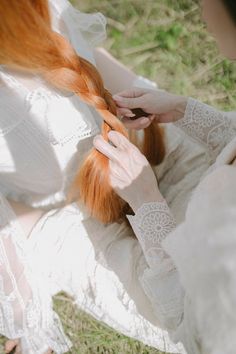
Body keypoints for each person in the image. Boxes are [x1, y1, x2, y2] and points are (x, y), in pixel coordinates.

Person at [0, 0, 187, 353]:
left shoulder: (41, 9)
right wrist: (28, 318)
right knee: (152, 301)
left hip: (132, 156)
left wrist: (149, 99)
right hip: (51, 212)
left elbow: (90, 60)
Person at [94, 0, 236, 353]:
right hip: (205, 202)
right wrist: (183, 109)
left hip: (179, 280)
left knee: (57, 230)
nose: (200, 10)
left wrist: (146, 201)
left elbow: (193, 328)